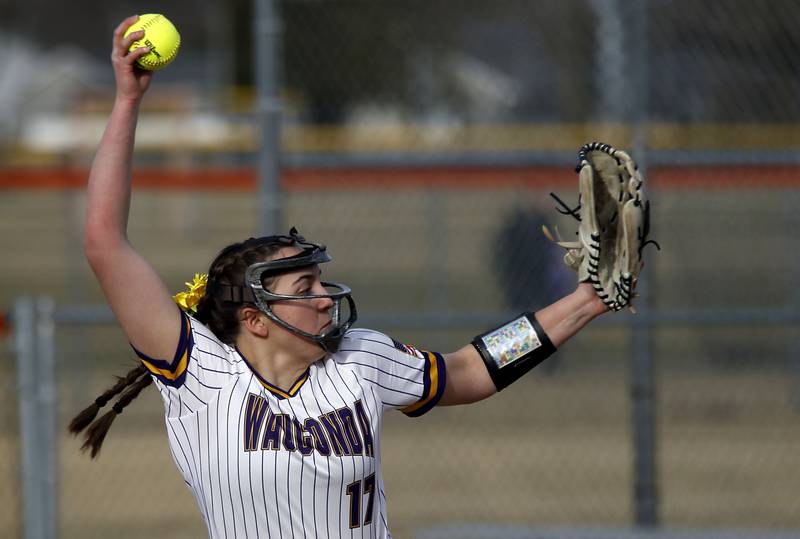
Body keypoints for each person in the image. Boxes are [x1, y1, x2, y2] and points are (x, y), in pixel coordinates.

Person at [72, 15, 610, 538]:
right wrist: (127, 101)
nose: (327, 298)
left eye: (321, 282)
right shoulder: (201, 375)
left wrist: (587, 300)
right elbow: (104, 241)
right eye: (303, 289)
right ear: (254, 320)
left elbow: (470, 368)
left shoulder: (361, 357)